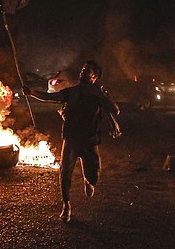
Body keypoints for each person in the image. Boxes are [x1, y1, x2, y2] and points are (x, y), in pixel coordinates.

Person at [24, 60, 119, 222]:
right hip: (72, 137)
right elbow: (51, 97)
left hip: (90, 138)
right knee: (65, 171)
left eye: (87, 70)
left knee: (94, 172)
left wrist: (105, 100)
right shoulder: (73, 92)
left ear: (94, 77)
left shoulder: (98, 93)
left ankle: (88, 181)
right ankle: (66, 205)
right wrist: (33, 93)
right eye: (83, 69)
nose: (83, 72)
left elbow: (114, 110)